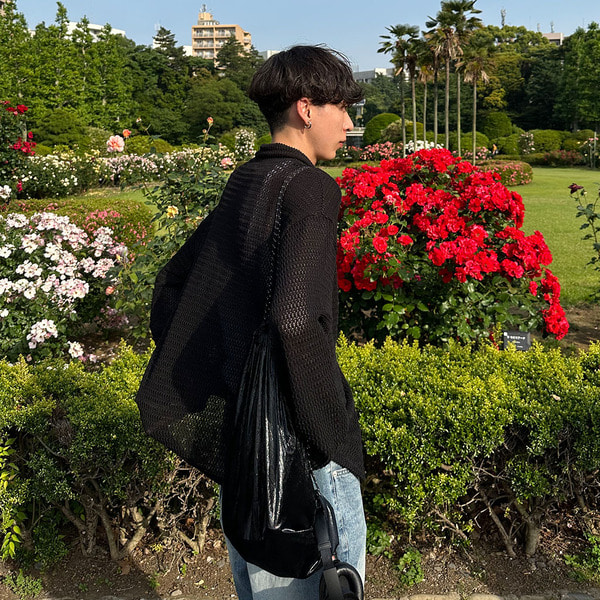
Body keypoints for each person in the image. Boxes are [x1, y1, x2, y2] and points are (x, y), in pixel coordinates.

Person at [135, 45, 366, 600]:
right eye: (341, 108)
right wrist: (334, 433)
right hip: (300, 467)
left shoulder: (248, 180)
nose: (349, 124)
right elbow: (294, 320)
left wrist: (232, 382)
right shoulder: (311, 186)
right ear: (306, 109)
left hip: (248, 458)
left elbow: (171, 288)